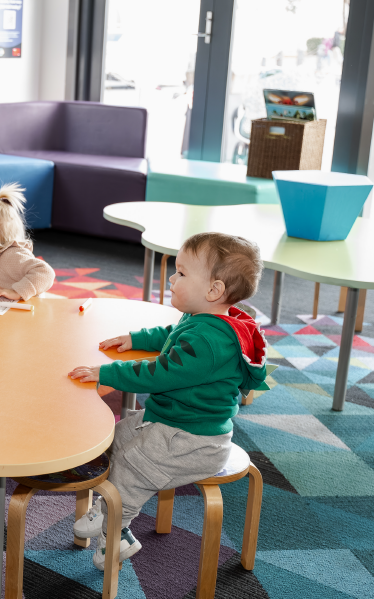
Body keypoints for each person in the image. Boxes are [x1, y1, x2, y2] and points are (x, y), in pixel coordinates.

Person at [68, 232, 268, 569]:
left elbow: (159, 373)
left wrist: (107, 373)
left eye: (182, 273)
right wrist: (134, 337)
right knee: (115, 439)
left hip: (192, 440)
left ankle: (118, 534)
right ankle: (106, 510)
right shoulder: (204, 319)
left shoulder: (207, 342)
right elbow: (170, 336)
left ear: (214, 290)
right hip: (174, 423)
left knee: (130, 467)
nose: (172, 279)